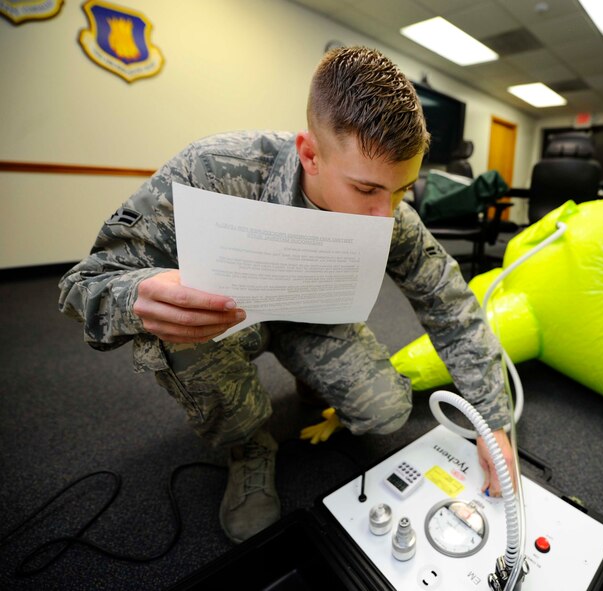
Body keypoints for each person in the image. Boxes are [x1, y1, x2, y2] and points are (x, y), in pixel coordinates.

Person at [58, 46, 515, 544]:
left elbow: (450, 305)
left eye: (403, 191)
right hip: (223, 328)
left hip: (314, 319)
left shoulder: (387, 210)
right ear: (309, 153)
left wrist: (493, 424)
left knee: (387, 410)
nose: (385, 215)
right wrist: (137, 297)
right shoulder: (210, 170)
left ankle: (313, 382)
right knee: (173, 337)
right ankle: (250, 446)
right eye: (365, 191)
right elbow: (83, 285)